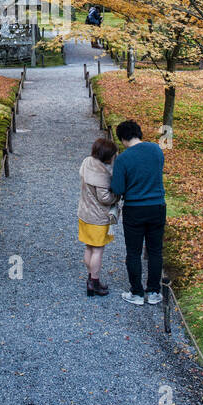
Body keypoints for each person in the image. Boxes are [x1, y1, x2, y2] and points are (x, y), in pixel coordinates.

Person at [109, 119, 166, 305]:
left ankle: (137, 293)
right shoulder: (156, 150)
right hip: (157, 206)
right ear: (138, 133)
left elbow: (117, 188)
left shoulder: (123, 159)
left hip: (135, 208)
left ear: (123, 138)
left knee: (133, 252)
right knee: (155, 250)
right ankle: (154, 292)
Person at [77, 137, 120, 296]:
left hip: (84, 213)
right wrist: (116, 197)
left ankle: (90, 277)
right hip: (97, 217)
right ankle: (94, 282)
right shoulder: (101, 174)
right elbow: (105, 198)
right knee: (98, 250)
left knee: (89, 247)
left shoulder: (87, 162)